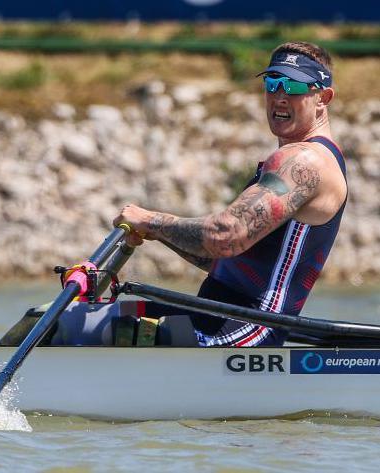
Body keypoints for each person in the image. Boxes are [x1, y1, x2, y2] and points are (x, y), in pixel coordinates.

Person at [111, 41, 347, 347]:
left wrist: (152, 220)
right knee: (82, 315)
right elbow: (229, 260)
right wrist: (158, 233)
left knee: (79, 326)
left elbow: (226, 236)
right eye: (272, 83)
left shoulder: (304, 161)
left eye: (293, 86)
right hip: (218, 316)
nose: (280, 96)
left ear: (323, 97)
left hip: (247, 330)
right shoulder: (297, 159)